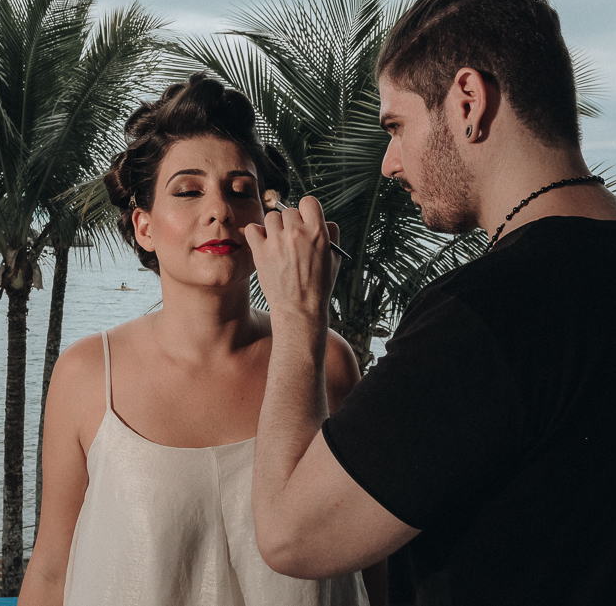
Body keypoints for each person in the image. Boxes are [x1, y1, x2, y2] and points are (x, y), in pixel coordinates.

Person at [244, 0, 616, 605]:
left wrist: (296, 315)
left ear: (468, 100)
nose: (391, 163)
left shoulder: (482, 316)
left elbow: (289, 536)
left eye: (397, 125)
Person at [19, 74, 375, 606]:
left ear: (265, 215)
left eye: (241, 191)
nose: (219, 211)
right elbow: (51, 573)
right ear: (143, 227)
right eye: (188, 191)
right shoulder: (88, 374)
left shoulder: (327, 362)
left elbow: (370, 562)